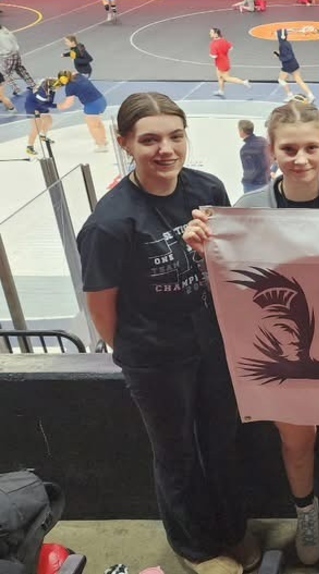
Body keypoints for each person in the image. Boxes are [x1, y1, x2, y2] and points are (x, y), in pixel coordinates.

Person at [76, 93, 255, 574]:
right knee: (176, 454)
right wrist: (138, 353)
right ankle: (195, 547)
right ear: (125, 144)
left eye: (175, 136)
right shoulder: (110, 223)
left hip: (213, 342)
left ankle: (232, 530)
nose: (166, 149)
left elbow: (231, 256)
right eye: (150, 140)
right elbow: (102, 308)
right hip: (155, 357)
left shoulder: (207, 188)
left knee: (221, 442)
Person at [184, 101, 319, 566]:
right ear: (272, 151)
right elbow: (230, 282)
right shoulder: (247, 210)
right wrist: (206, 249)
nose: (300, 158)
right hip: (280, 349)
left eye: (310, 148)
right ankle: (307, 516)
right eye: (289, 149)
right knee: (296, 443)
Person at [55, 70, 109, 152]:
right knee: (98, 123)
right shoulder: (79, 76)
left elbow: (69, 103)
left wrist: (59, 106)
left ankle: (101, 146)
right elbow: (74, 72)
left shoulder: (70, 87)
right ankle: (103, 140)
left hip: (92, 105)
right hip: (101, 100)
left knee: (93, 126)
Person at [274, 27, 315, 103]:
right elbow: (288, 55)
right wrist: (280, 55)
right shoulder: (287, 43)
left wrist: (279, 56)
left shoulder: (282, 45)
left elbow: (287, 57)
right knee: (299, 81)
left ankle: (290, 95)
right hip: (294, 63)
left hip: (287, 66)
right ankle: (311, 95)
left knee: (281, 80)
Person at [210, 28, 251, 97]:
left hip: (220, 63)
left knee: (226, 78)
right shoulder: (224, 40)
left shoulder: (213, 44)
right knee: (220, 77)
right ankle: (221, 91)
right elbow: (230, 48)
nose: (210, 33)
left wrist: (213, 54)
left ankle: (243, 82)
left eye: (211, 32)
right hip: (225, 61)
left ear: (216, 34)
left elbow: (214, 56)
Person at [0, 24, 36, 98]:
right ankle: (32, 85)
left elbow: (8, 48)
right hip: (16, 53)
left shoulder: (1, 36)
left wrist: (1, 52)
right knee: (20, 69)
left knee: (5, 73)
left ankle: (16, 89)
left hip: (9, 56)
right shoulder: (5, 31)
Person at [24, 80, 57, 156]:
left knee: (49, 120)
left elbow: (49, 101)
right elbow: (46, 104)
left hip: (41, 104)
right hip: (33, 107)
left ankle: (43, 136)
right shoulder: (42, 93)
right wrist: (57, 106)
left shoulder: (49, 88)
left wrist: (53, 92)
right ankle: (29, 147)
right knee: (37, 127)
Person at [237, 120, 270, 194]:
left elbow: (250, 170)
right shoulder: (263, 141)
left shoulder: (245, 150)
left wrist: (245, 181)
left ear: (242, 131)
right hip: (266, 181)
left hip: (253, 184)